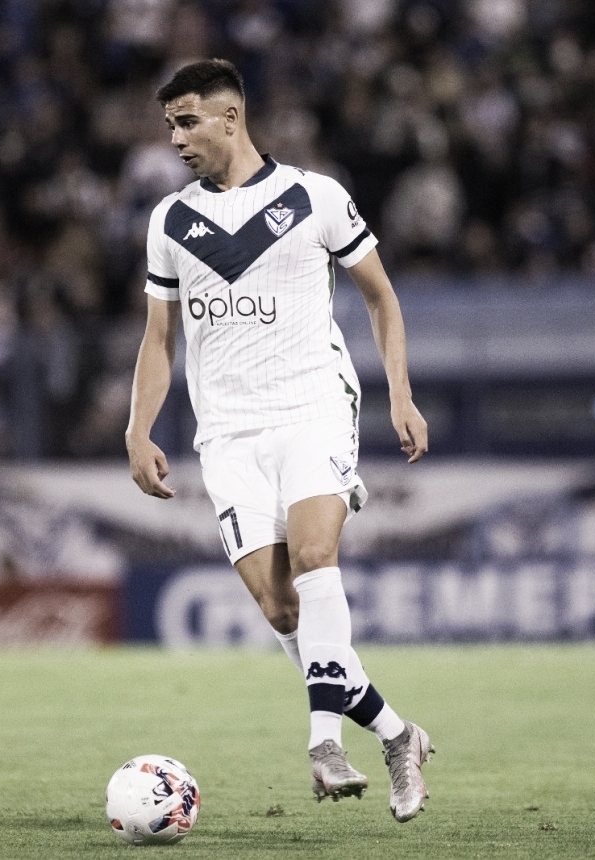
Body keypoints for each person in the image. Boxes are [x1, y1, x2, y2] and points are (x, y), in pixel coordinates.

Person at [125, 59, 433, 823]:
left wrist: (400, 390)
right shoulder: (171, 221)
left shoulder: (313, 197)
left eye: (188, 120)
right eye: (169, 125)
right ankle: (399, 736)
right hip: (227, 431)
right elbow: (158, 338)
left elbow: (381, 296)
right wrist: (137, 427)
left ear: (231, 117)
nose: (177, 138)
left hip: (312, 407)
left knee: (318, 554)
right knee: (282, 609)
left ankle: (324, 741)